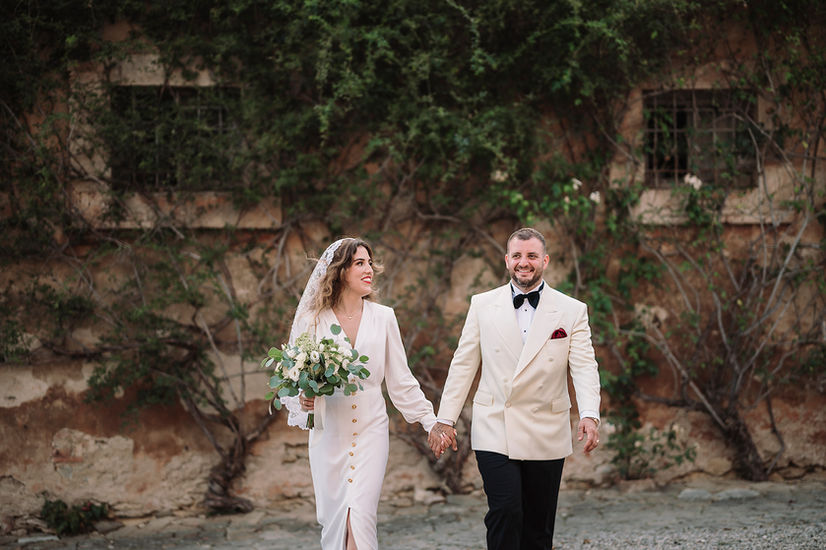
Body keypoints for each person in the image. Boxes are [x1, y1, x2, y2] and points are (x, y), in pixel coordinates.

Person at [429, 227, 601, 550]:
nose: (525, 262)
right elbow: (464, 363)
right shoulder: (482, 305)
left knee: (538, 525)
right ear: (507, 260)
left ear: (544, 260)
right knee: (505, 510)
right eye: (518, 256)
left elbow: (584, 366)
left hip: (546, 428)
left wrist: (589, 414)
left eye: (532, 256)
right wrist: (445, 419)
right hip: (495, 424)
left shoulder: (572, 310)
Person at [283, 237, 438, 550]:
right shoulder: (311, 321)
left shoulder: (384, 317)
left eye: (370, 262)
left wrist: (430, 421)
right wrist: (305, 397)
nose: (370, 269)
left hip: (371, 430)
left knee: (361, 518)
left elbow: (401, 380)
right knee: (336, 523)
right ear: (340, 272)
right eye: (359, 263)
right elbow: (296, 377)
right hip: (330, 435)